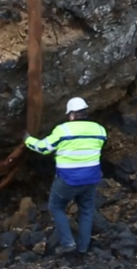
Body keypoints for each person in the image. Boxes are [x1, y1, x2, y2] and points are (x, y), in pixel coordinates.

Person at [23, 96, 107, 256]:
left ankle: (68, 243)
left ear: (72, 115)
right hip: (91, 178)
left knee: (55, 207)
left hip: (68, 179)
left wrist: (27, 140)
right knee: (87, 210)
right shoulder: (100, 130)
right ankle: (83, 248)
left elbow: (43, 148)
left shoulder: (63, 130)